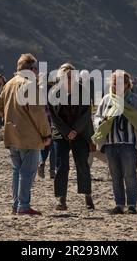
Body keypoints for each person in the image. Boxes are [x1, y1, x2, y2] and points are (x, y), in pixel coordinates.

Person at [0, 54, 51, 215]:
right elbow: (38, 113)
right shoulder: (30, 85)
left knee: (16, 171)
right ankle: (23, 206)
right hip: (29, 137)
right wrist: (46, 135)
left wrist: (9, 118)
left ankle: (16, 204)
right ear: (32, 69)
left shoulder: (10, 83)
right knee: (27, 172)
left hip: (11, 134)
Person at [93, 70, 137, 215]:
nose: (116, 86)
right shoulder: (106, 99)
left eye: (120, 83)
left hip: (129, 145)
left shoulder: (134, 100)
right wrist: (102, 121)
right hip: (110, 144)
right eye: (114, 83)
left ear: (127, 84)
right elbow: (97, 118)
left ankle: (132, 205)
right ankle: (119, 204)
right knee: (115, 176)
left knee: (130, 175)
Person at [49, 63, 94, 211]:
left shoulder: (83, 91)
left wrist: (75, 130)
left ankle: (87, 195)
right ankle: (61, 199)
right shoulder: (54, 92)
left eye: (71, 76)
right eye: (66, 77)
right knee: (62, 166)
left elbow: (87, 113)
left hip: (80, 133)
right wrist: (66, 131)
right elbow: (54, 116)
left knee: (82, 165)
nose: (69, 79)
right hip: (61, 134)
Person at [38, 78, 57, 179]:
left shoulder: (39, 90)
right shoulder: (54, 90)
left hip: (42, 121)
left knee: (44, 144)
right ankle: (52, 170)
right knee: (53, 146)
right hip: (53, 121)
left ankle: (41, 162)